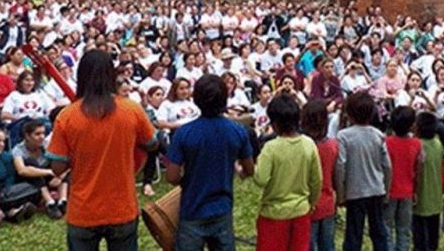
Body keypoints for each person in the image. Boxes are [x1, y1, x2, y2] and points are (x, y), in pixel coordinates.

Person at [47, 49, 157, 250]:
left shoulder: (67, 116)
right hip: (122, 207)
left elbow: (57, 167)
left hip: (83, 210)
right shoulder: (132, 109)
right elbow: (151, 143)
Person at [165, 74, 254, 250]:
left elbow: (172, 176)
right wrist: (237, 170)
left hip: (192, 209)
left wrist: (189, 180)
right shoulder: (237, 131)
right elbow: (249, 170)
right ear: (225, 99)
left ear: (196, 99)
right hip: (222, 208)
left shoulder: (184, 133)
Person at [253, 94, 322, 251]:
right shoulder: (309, 144)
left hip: (273, 214)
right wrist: (311, 203)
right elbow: (316, 180)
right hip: (301, 211)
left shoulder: (271, 148)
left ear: (275, 123)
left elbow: (261, 179)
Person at [335, 91, 391, 251]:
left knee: (353, 234)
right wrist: (386, 190)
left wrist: (341, 193)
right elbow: (387, 165)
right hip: (376, 190)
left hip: (355, 192)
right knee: (379, 231)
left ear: (349, 113)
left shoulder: (344, 136)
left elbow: (340, 165)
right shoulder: (378, 135)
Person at [384, 106, 423, 251]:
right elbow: (418, 170)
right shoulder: (417, 144)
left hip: (389, 192)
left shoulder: (386, 142)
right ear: (412, 125)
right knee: (404, 229)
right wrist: (416, 191)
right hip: (407, 191)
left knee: (387, 228)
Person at [12, 118, 68, 219]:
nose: (42, 137)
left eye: (43, 133)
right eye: (37, 134)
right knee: (31, 163)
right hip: (30, 181)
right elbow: (21, 170)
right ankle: (50, 203)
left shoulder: (47, 144)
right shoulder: (18, 149)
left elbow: (66, 163)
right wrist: (49, 172)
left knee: (59, 163)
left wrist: (59, 177)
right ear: (27, 136)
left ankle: (63, 201)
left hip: (50, 179)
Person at [301, 100, 338, 251]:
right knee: (328, 244)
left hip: (307, 203)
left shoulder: (303, 147)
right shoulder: (332, 146)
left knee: (308, 244)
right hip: (328, 202)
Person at [413, 112, 444, 251]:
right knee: (433, 232)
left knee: (419, 233)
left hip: (420, 197)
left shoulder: (417, 145)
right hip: (436, 196)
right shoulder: (438, 143)